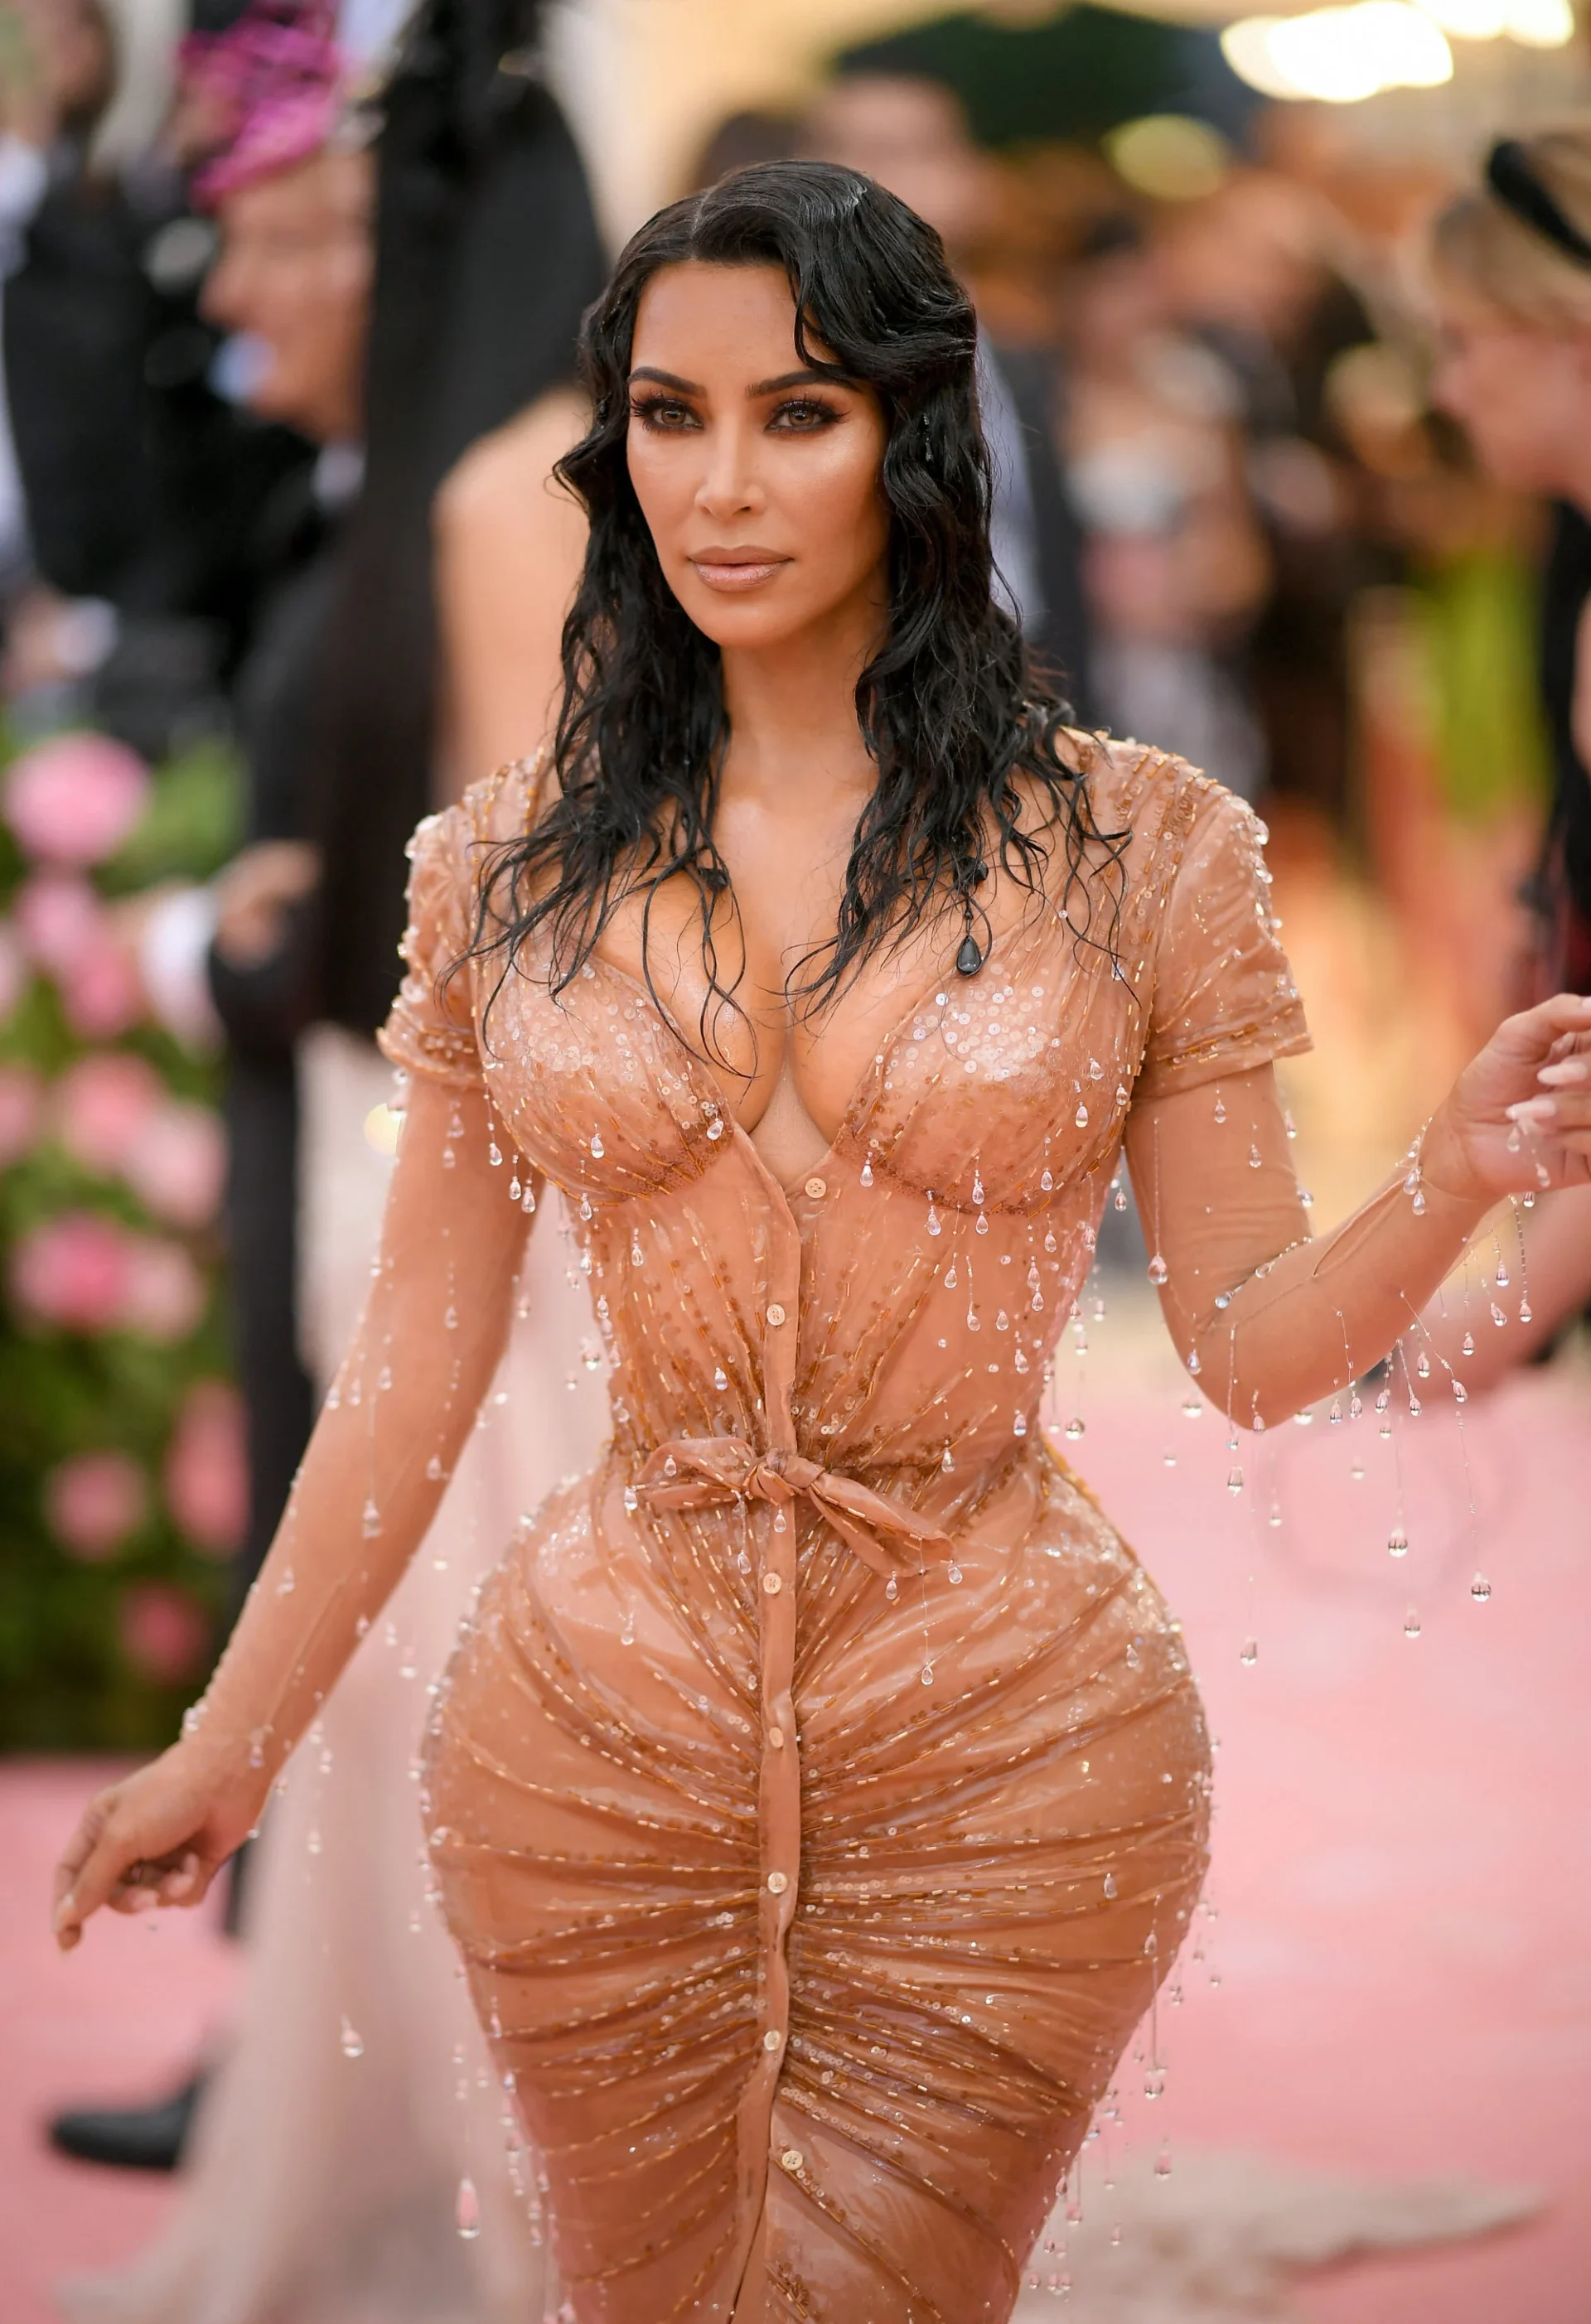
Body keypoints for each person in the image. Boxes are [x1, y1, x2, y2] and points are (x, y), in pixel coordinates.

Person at [51, 162, 1591, 2323]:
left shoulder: (1142, 845)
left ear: (915, 437)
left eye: (798, 412)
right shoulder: (503, 871)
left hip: (1018, 1736)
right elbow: (407, 1372)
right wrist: (231, 1741)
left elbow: (1245, 1345)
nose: (722, 481)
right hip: (587, 1737)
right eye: (668, 417)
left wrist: (1446, 1168)